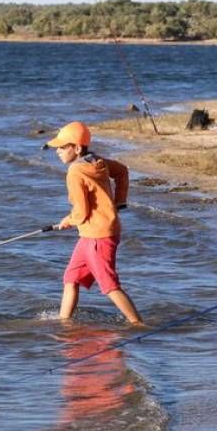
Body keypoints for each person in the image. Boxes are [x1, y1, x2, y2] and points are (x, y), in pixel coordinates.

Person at [45, 121, 143, 325]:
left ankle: (138, 324)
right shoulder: (97, 161)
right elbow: (122, 171)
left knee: (109, 286)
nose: (58, 151)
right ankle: (65, 325)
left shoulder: (75, 172)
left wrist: (67, 221)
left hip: (98, 235)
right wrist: (120, 202)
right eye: (57, 148)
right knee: (71, 277)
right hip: (94, 233)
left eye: (63, 147)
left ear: (78, 148)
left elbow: (81, 213)